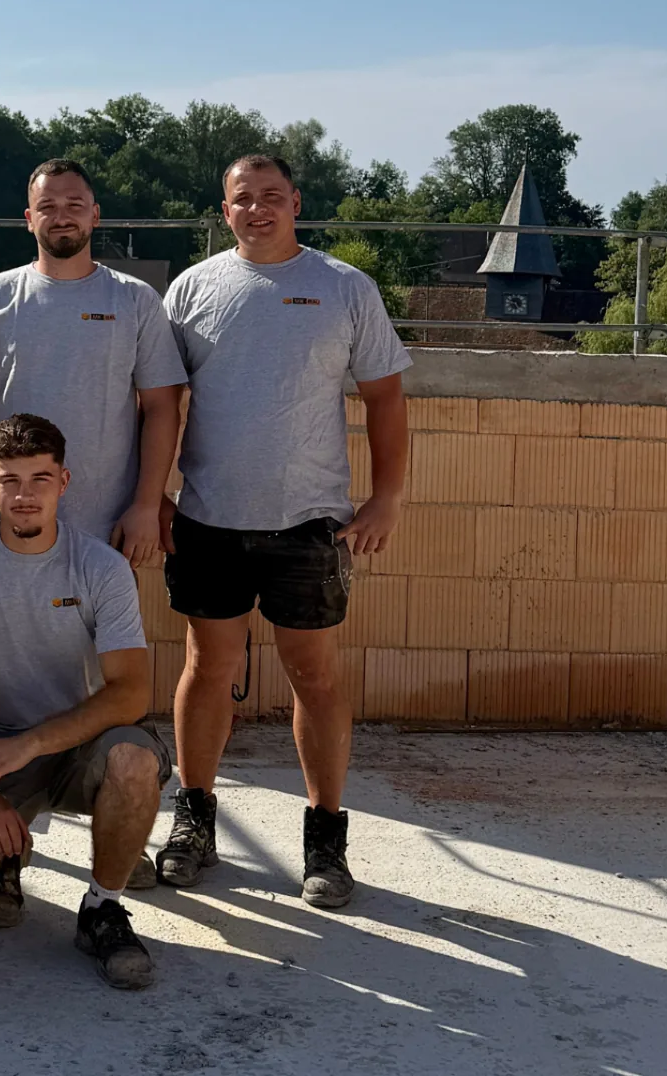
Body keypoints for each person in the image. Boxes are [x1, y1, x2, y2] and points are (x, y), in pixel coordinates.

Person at [158, 155, 410, 909]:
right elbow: (161, 404)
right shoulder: (192, 289)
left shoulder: (343, 287)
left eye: (273, 197)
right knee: (207, 671)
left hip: (309, 525)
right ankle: (194, 821)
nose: (259, 209)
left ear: (297, 202)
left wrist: (387, 497)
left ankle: (325, 843)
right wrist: (155, 495)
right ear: (224, 208)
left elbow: (387, 397)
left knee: (316, 677)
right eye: (244, 199)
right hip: (207, 518)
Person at [0, 415, 163, 990]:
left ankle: (103, 908)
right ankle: (3, 860)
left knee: (134, 761)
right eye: (10, 481)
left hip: (75, 741)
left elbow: (131, 691)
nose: (25, 495)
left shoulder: (102, 567)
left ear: (65, 481)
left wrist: (30, 743)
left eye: (39, 479)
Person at [0, 159, 187, 567]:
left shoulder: (135, 299)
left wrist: (146, 504)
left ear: (94, 215)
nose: (61, 217)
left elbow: (163, 408)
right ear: (29, 218)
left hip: (107, 522)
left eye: (74, 205)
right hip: (5, 517)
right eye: (47, 207)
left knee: (99, 632)